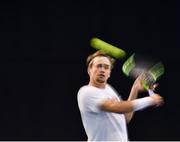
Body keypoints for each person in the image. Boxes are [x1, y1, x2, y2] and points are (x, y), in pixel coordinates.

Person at [77, 51, 163, 141]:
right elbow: (118, 108)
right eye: (99, 66)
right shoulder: (86, 92)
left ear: (109, 73)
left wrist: (135, 89)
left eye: (106, 67)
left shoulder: (109, 89)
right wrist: (150, 100)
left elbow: (126, 117)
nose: (102, 70)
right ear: (89, 69)